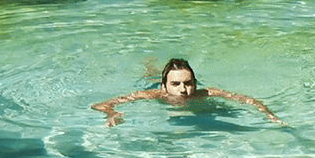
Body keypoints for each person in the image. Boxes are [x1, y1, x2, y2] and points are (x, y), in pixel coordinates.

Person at [92, 58, 281, 127]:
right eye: (176, 84)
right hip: (153, 86)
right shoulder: (153, 95)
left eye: (188, 83)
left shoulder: (205, 93)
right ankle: (149, 67)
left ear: (195, 84)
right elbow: (99, 104)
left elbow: (247, 100)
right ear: (164, 87)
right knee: (148, 76)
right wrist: (112, 113)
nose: (183, 90)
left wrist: (268, 115)